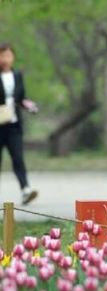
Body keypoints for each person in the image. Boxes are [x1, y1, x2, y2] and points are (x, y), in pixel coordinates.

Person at [0, 43, 39, 205]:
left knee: (18, 157)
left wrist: (29, 105)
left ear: (13, 57)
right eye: (2, 55)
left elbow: (21, 98)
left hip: (13, 125)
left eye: (8, 55)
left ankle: (25, 189)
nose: (5, 59)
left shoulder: (17, 75)